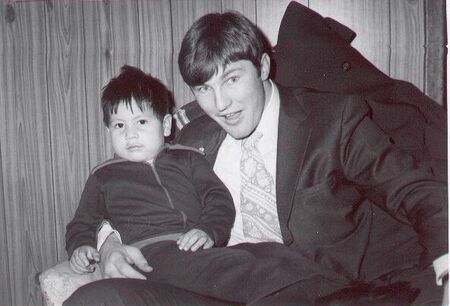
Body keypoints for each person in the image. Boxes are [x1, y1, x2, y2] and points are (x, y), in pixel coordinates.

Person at [67, 10, 448, 306]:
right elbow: (130, 184)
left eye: (232, 79)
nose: (221, 105)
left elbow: (414, 189)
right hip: (215, 285)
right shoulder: (193, 136)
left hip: (313, 291)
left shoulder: (333, 120)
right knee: (93, 300)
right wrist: (109, 244)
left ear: (263, 68)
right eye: (204, 88)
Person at [65, 65, 347, 304]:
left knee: (259, 255)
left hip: (197, 249)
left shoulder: (188, 158)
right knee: (233, 269)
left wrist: (209, 230)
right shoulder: (104, 175)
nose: (131, 135)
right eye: (119, 126)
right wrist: (81, 247)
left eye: (140, 121)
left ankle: (331, 287)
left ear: (165, 126)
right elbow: (82, 223)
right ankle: (325, 291)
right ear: (108, 131)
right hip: (149, 256)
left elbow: (217, 198)